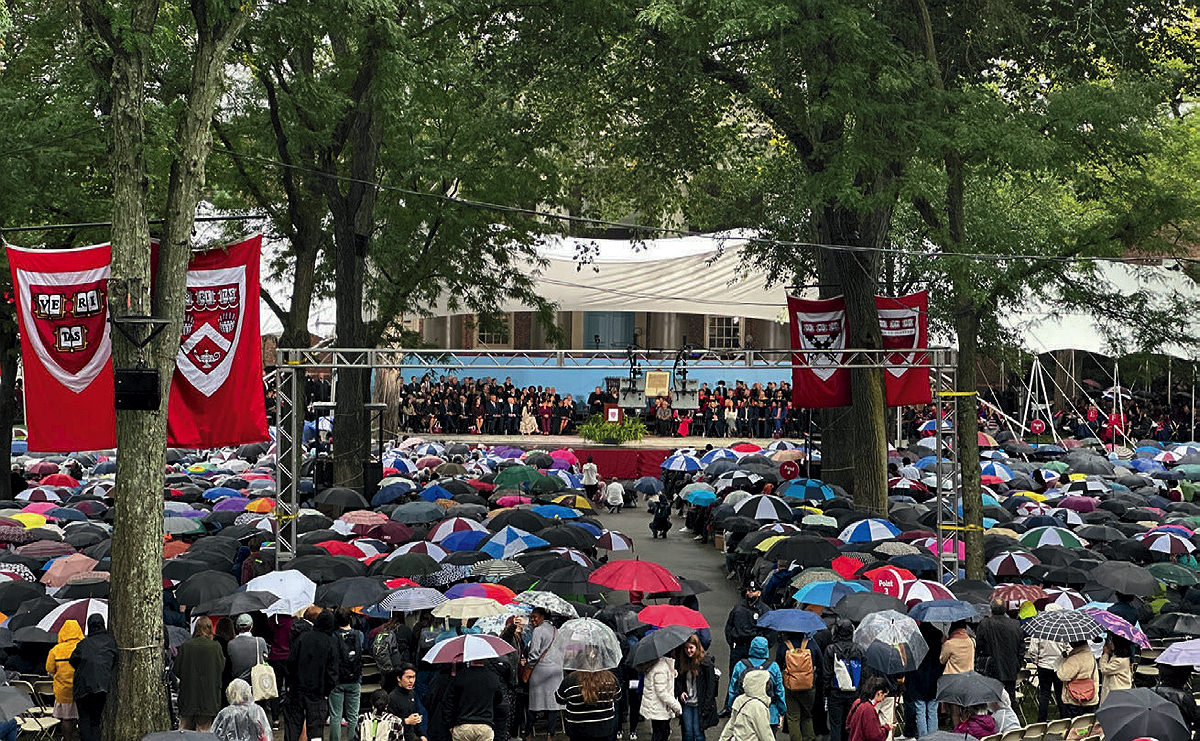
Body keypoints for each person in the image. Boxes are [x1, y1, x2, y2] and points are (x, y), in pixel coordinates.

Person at [285, 609, 340, 741]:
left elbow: (291, 662)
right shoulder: (330, 643)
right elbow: (332, 672)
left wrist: (290, 684)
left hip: (297, 690)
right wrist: (327, 691)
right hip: (318, 693)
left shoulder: (302, 638)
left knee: (293, 725)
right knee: (316, 728)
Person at [175, 616, 227, 732]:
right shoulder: (215, 647)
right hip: (208, 698)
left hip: (188, 697)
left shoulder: (186, 646)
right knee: (204, 732)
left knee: (184, 731)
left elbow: (177, 670)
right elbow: (221, 668)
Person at [70, 614, 116, 741]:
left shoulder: (83, 644)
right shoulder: (110, 642)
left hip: (83, 686)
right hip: (102, 686)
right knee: (96, 721)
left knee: (85, 719)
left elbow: (73, 660)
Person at [725, 637, 785, 730]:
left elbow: (733, 690)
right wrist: (781, 711)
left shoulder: (740, 665)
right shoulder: (774, 667)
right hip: (769, 714)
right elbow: (779, 691)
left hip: (745, 712)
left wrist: (732, 707)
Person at [442, 659, 508, 741]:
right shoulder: (493, 677)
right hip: (485, 726)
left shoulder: (460, 676)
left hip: (463, 725)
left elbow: (449, 702)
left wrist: (450, 724)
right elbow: (498, 701)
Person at [974, 601, 1024, 705]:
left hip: (992, 668)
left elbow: (979, 646)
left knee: (992, 701)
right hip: (1009, 668)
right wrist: (1017, 664)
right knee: (1009, 700)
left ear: (991, 610)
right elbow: (1021, 648)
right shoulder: (1015, 624)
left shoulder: (985, 624)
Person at [526, 607, 565, 736]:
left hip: (542, 668)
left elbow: (534, 653)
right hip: (557, 669)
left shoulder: (538, 630)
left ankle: (527, 732)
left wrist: (529, 666)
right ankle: (551, 733)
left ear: (542, 617)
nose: (532, 620)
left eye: (534, 617)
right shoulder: (556, 630)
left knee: (535, 701)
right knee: (553, 703)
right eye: (531, 617)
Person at [825, 619, 865, 741]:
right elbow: (864, 674)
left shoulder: (830, 649)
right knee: (851, 724)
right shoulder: (859, 649)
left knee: (835, 725)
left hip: (835, 692)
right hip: (854, 693)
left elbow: (827, 674)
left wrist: (826, 693)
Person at [555, 669, 622, 741]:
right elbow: (618, 696)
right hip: (604, 728)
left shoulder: (570, 680)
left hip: (576, 729)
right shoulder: (610, 679)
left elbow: (560, 699)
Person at [778, 632, 821, 741]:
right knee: (807, 715)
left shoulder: (784, 645)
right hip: (809, 686)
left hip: (790, 686)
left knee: (793, 717)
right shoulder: (812, 644)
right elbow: (820, 663)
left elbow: (778, 664)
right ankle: (809, 738)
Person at [674, 635, 718, 741]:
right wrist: (681, 692)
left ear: (697, 647)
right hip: (687, 703)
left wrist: (707, 706)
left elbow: (710, 688)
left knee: (698, 733)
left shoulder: (706, 664)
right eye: (686, 648)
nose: (688, 651)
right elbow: (678, 681)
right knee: (688, 732)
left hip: (700, 704)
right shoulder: (683, 662)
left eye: (691, 648)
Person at [331, 608, 366, 741]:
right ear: (350, 618)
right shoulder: (359, 635)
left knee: (336, 716)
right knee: (353, 716)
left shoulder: (333, 636)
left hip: (338, 680)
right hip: (355, 679)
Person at [46, 618, 84, 740]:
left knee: (66, 718)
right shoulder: (82, 647)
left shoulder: (55, 650)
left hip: (63, 690)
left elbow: (50, 669)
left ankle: (67, 739)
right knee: (82, 717)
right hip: (80, 689)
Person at [904, 623, 942, 739]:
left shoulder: (915, 636)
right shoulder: (938, 634)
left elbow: (910, 657)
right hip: (934, 677)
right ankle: (933, 736)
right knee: (932, 709)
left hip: (918, 677)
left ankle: (923, 737)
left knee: (920, 708)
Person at [725, 582, 771, 673]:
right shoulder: (738, 608)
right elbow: (729, 626)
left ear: (759, 593)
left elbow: (770, 632)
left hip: (755, 650)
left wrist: (763, 647)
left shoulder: (764, 610)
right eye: (749, 591)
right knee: (735, 674)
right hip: (738, 647)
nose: (750, 593)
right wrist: (732, 643)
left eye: (753, 591)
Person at [717, 669, 774, 741]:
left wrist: (723, 739)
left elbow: (731, 724)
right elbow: (765, 734)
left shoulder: (740, 699)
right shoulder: (758, 707)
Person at [1027, 627, 1067, 722]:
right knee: (1060, 692)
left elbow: (1032, 650)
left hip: (1044, 665)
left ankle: (1042, 719)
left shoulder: (1039, 630)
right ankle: (1064, 717)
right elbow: (1068, 647)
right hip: (1058, 664)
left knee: (1044, 693)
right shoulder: (1062, 630)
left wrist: (1036, 661)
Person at [640, 654, 682, 741]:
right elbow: (662, 692)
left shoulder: (657, 663)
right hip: (659, 708)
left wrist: (672, 673)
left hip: (656, 708)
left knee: (661, 732)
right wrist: (676, 706)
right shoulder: (661, 667)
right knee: (661, 734)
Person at [1056, 639, 1100, 718]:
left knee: (1074, 726)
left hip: (1074, 699)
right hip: (1090, 696)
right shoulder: (1090, 655)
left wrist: (1063, 662)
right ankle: (1083, 731)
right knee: (1085, 725)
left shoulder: (1075, 658)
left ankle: (1079, 731)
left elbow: (1063, 675)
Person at [387, 664, 428, 741]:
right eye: (408, 677)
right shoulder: (392, 698)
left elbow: (415, 715)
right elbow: (388, 723)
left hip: (412, 736)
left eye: (413, 677)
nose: (411, 681)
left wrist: (421, 735)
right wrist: (406, 721)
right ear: (399, 678)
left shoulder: (412, 693)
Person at [227, 613, 270, 684]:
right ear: (251, 626)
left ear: (237, 627)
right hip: (257, 682)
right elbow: (265, 659)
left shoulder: (231, 644)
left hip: (238, 683)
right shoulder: (260, 641)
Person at [1099, 636, 1133, 704]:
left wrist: (1105, 654)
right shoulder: (1119, 657)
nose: (1110, 643)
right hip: (1116, 688)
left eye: (1112, 642)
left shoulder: (1119, 661)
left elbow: (1104, 669)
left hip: (1116, 690)